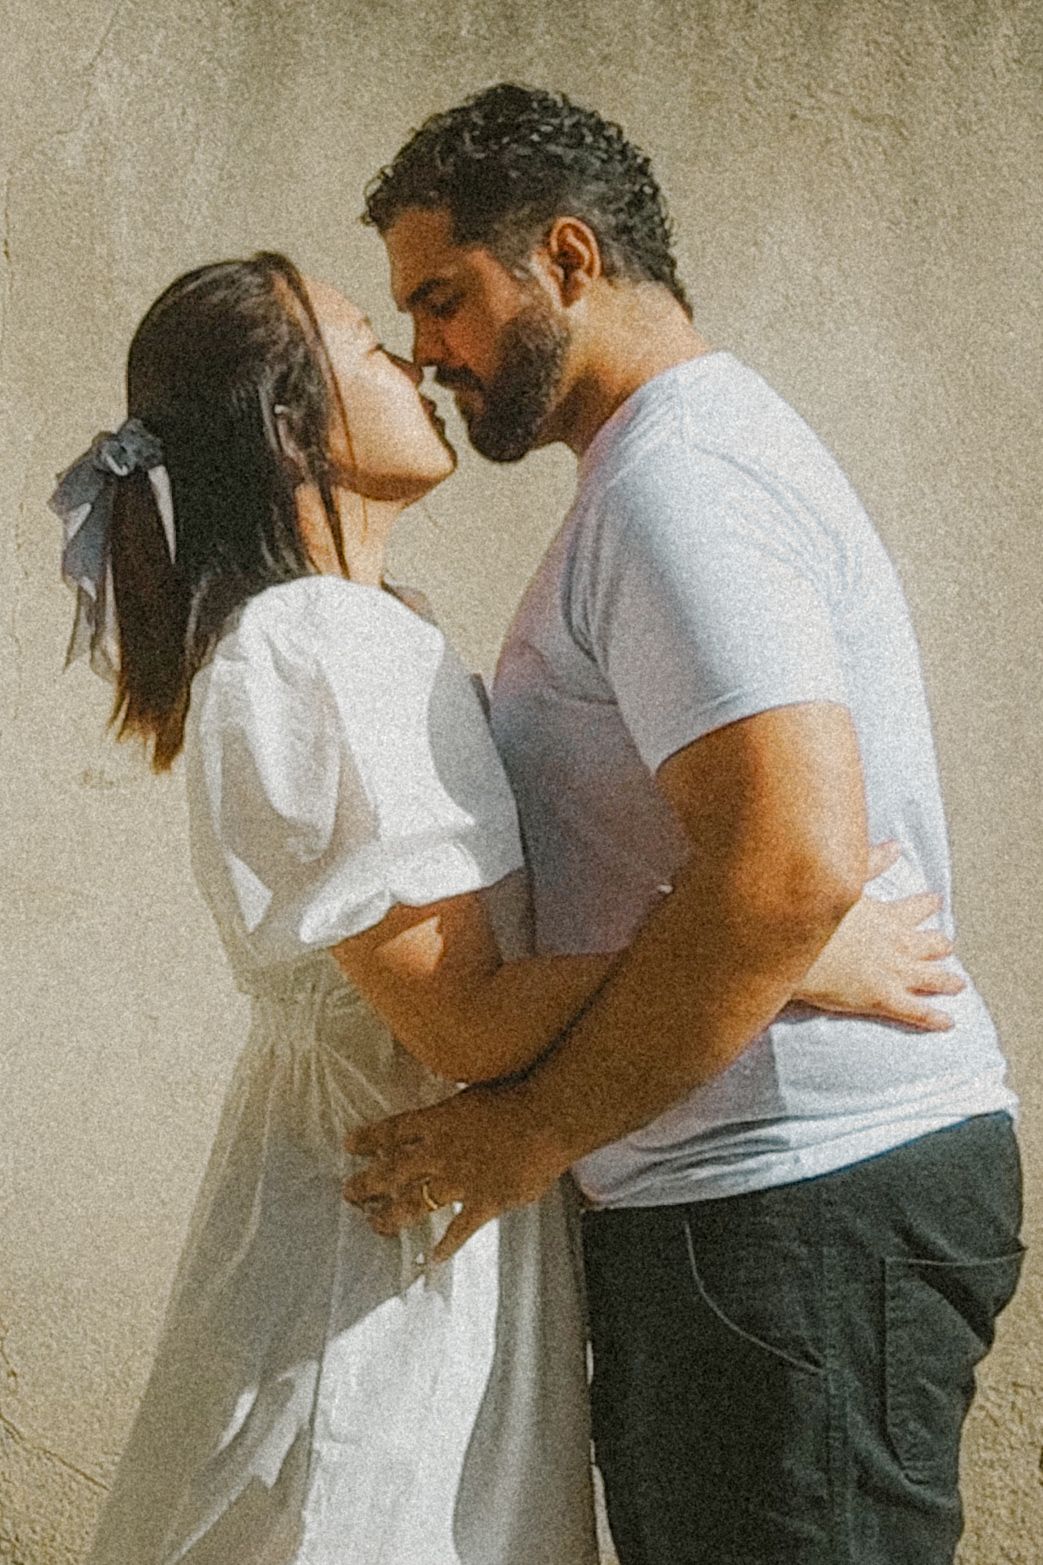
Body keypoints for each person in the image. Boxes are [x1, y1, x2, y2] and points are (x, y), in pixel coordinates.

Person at [54, 251, 956, 1565]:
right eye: (372, 342)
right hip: (378, 1245)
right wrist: (781, 951)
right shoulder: (309, 648)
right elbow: (465, 1015)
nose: (417, 361)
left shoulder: (370, 629)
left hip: (447, 1230)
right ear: (292, 423)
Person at [343, 84, 1025, 1565]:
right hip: (752, 1217)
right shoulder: (653, 480)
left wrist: (528, 1132)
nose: (427, 352)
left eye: (446, 298)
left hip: (794, 1209)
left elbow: (787, 868)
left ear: (570, 261)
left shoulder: (681, 482)